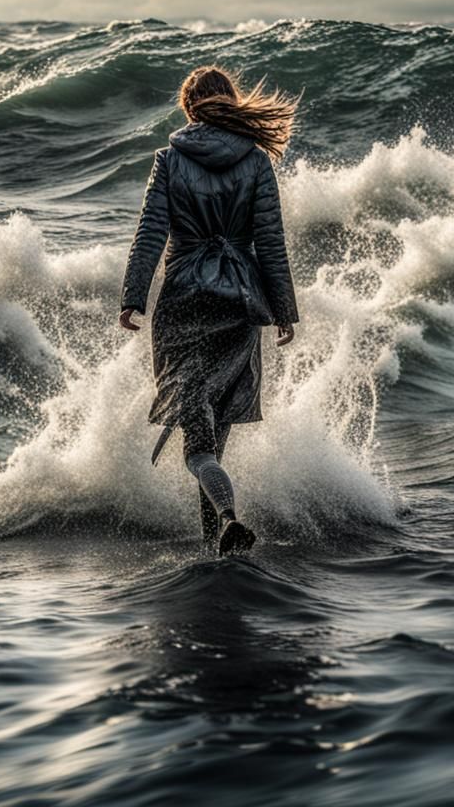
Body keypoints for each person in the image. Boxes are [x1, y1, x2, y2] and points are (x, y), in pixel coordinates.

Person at [119, 65, 300, 556]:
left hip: (183, 304)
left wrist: (133, 296)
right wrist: (283, 309)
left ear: (188, 108)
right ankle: (219, 538)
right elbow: (270, 244)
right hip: (239, 304)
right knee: (214, 438)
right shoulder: (257, 161)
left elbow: (150, 233)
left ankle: (224, 522)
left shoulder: (168, 160)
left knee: (197, 446)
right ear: (231, 103)